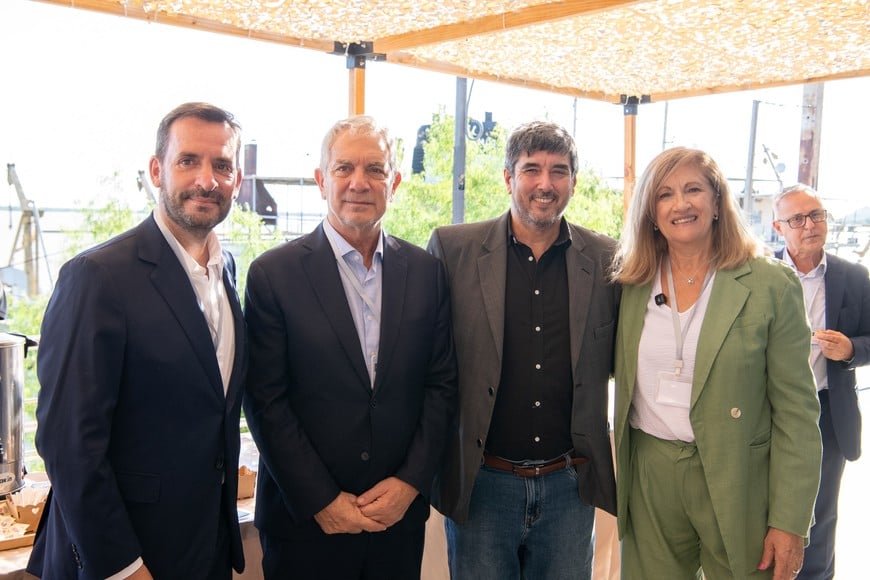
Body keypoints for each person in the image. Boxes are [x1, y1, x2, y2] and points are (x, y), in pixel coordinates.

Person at [28, 102, 248, 579]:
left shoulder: (226, 272)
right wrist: (123, 568)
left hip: (203, 550)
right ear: (156, 170)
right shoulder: (96, 277)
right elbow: (68, 443)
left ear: (238, 180)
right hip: (122, 560)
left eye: (222, 165)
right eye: (188, 160)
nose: (206, 180)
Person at [243, 115, 457, 579]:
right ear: (321, 181)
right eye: (344, 169)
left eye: (375, 169)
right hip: (305, 525)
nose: (359, 183)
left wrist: (408, 484)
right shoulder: (272, 275)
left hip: (395, 523)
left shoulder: (426, 273)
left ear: (394, 182)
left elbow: (441, 386)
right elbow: (265, 401)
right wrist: (322, 499)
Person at [611, 146, 822, 579]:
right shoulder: (631, 283)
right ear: (651, 212)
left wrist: (789, 520)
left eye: (694, 189)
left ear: (717, 202)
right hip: (651, 473)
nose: (681, 203)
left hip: (738, 474)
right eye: (665, 194)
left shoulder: (770, 285)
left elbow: (797, 414)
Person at [427, 120, 620, 579]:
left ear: (574, 180)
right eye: (531, 169)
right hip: (483, 486)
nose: (545, 184)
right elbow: (427, 364)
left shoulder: (608, 259)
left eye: (559, 171)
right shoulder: (453, 249)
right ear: (508, 177)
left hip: (569, 488)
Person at [772, 184, 870, 580]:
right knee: (770, 511)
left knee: (819, 515)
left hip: (827, 412)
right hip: (770, 413)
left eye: (817, 215)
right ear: (780, 228)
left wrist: (850, 349)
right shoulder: (761, 275)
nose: (810, 225)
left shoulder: (853, 276)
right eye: (797, 219)